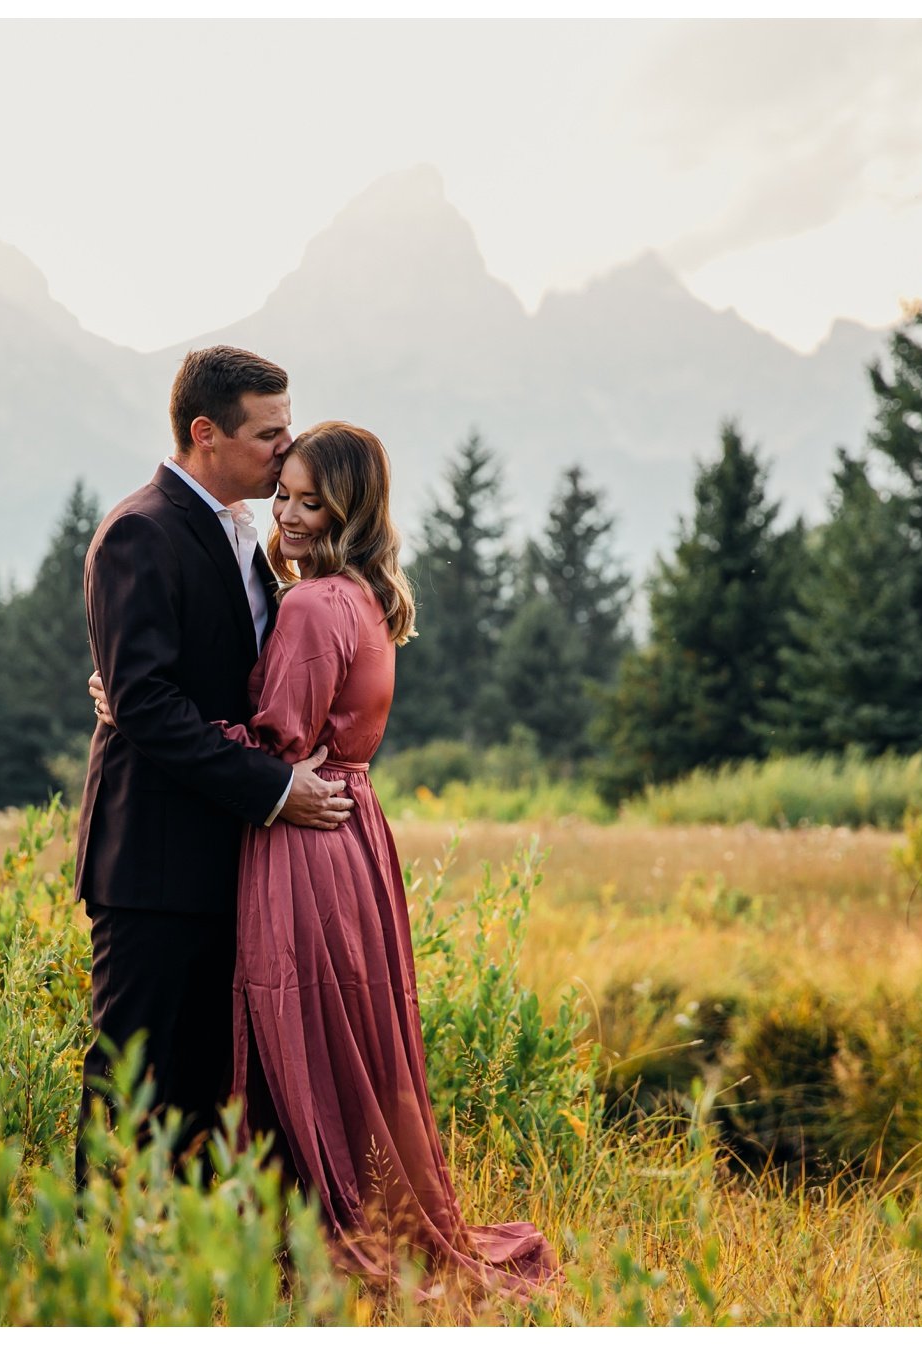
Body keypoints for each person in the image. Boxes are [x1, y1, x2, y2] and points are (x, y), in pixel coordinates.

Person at [91, 422, 557, 1300]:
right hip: (353, 834)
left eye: (313, 501)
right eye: (287, 495)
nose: (292, 514)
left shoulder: (309, 606)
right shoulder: (366, 599)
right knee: (347, 1037)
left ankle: (316, 1223)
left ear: (352, 511)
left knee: (295, 1035)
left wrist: (134, 709)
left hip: (301, 838)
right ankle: (288, 1218)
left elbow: (279, 740)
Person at [73, 346, 356, 1186]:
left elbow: (199, 681)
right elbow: (150, 702)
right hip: (154, 869)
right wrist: (275, 790)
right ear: (206, 433)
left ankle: (187, 1280)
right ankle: (98, 1275)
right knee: (132, 1079)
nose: (286, 446)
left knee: (204, 1086)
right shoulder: (140, 530)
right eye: (270, 433)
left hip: (228, 860)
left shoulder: (249, 543)